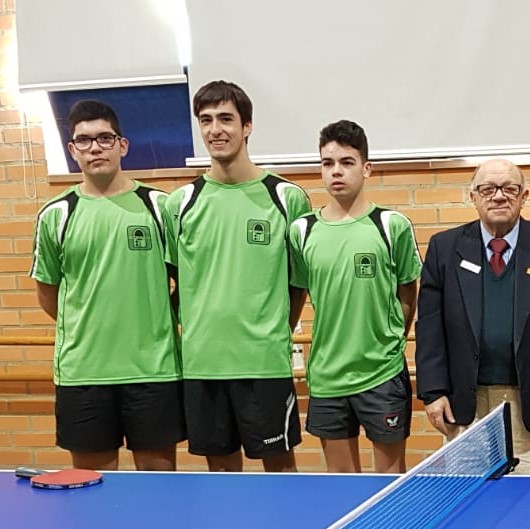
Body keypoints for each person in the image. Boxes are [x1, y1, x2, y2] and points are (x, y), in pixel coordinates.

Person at [163, 81, 311, 472]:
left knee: (280, 474)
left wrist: (273, 329)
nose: (216, 129)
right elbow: (173, 284)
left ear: (247, 126)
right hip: (203, 366)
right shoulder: (180, 203)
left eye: (226, 118)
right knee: (223, 479)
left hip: (264, 365)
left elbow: (298, 283)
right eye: (206, 120)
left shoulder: (286, 198)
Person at [30, 100, 183, 471]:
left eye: (104, 138)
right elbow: (48, 295)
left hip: (153, 371)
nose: (95, 147)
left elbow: (186, 282)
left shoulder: (159, 207)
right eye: (84, 140)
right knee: (93, 489)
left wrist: (157, 321)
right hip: (84, 374)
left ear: (122, 145)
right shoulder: (57, 214)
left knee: (158, 488)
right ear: (72, 150)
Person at [415, 158, 530, 475]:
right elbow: (429, 327)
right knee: (468, 502)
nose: (499, 196)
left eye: (510, 188)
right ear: (473, 196)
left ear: (523, 196)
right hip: (465, 404)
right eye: (488, 189)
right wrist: (433, 392)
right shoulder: (444, 248)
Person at [288, 120, 421, 473]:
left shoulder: (391, 225)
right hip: (327, 377)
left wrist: (391, 339)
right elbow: (299, 290)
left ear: (366, 168)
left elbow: (408, 290)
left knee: (389, 481)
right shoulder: (302, 230)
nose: (336, 171)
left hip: (382, 373)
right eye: (327, 163)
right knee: (342, 483)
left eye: (346, 162)